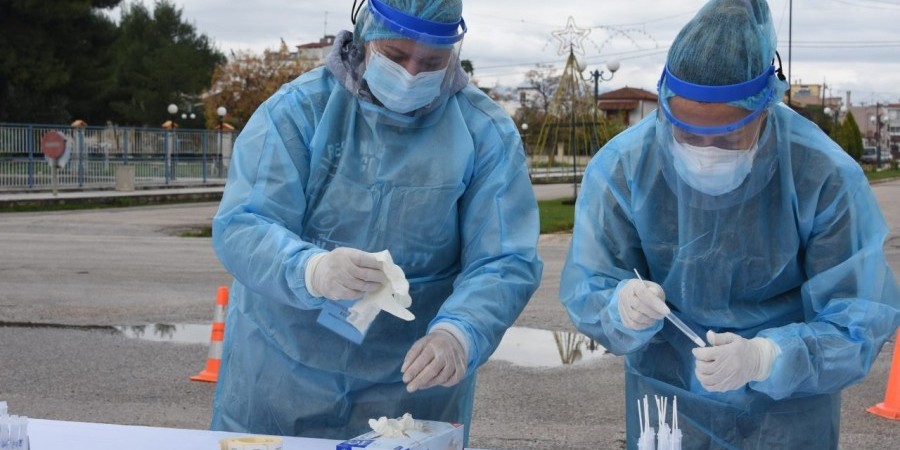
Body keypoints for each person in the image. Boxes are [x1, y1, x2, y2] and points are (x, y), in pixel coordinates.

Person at [559, 0, 900, 448]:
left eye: (728, 138)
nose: (705, 151)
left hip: (788, 417)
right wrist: (619, 306)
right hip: (666, 408)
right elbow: (591, 281)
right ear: (663, 102)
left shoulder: (821, 175)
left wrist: (768, 357)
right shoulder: (624, 167)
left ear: (766, 107)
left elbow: (859, 315)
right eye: (685, 133)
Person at [208, 0, 542, 443]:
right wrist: (310, 269)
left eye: (432, 63)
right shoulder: (298, 111)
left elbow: (504, 258)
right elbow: (244, 224)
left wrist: (460, 331)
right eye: (396, 55)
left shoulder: (483, 131)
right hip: (281, 373)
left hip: (412, 386)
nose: (412, 74)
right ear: (365, 35)